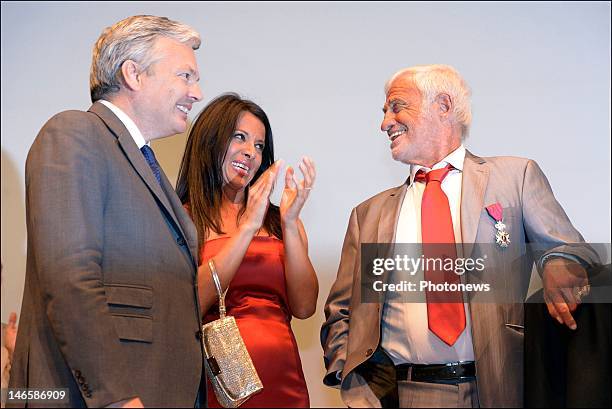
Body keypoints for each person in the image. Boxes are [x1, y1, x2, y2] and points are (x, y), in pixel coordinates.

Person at [320, 64, 598, 407]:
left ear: (444, 106)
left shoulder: (514, 178)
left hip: (497, 391)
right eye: (384, 112)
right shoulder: (369, 216)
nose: (385, 123)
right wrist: (356, 388)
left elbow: (573, 248)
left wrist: (560, 260)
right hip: (404, 396)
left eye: (396, 106)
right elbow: (342, 312)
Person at [9, 15, 205, 408]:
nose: (196, 92)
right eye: (185, 75)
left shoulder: (142, 161)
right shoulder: (73, 134)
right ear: (133, 73)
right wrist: (115, 396)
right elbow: (70, 277)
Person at [176, 93, 318, 408]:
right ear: (210, 141)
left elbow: (305, 306)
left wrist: (291, 224)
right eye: (239, 137)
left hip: (284, 382)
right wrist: (246, 229)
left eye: (258, 145)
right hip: (221, 385)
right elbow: (189, 303)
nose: (250, 152)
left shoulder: (281, 220)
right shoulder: (184, 217)